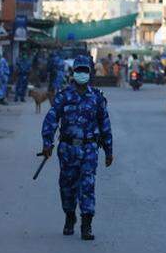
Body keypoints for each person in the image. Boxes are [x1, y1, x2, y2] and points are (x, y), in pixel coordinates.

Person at [41, 54, 114, 240]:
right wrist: (47, 142)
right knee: (67, 186)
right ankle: (70, 216)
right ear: (74, 73)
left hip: (89, 149)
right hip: (67, 150)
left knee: (87, 186)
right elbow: (51, 119)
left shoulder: (96, 98)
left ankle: (86, 225)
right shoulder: (64, 96)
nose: (82, 73)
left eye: (85, 70)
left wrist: (108, 150)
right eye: (79, 70)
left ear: (89, 72)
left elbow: (105, 124)